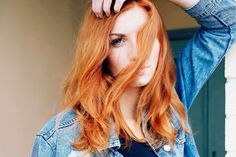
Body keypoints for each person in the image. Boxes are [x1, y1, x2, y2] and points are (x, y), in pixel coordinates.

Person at [31, 0, 236, 156]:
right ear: (101, 52)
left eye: (145, 36)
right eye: (119, 41)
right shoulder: (59, 138)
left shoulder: (170, 98)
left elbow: (229, 20)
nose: (137, 53)